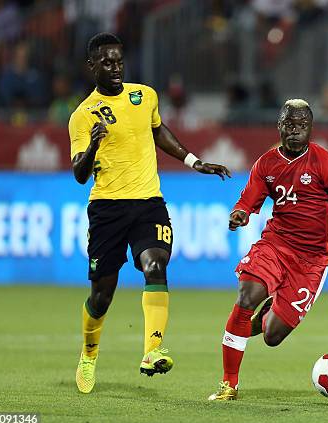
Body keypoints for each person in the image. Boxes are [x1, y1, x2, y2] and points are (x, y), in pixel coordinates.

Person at [68, 33, 231, 394]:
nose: (115, 67)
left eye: (119, 60)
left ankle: (152, 349)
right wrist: (94, 142)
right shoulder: (81, 116)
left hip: (148, 202)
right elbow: (80, 175)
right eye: (106, 62)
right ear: (91, 66)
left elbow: (157, 131)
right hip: (107, 209)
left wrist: (194, 160)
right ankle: (89, 353)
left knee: (156, 264)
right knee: (101, 297)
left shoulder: (145, 96)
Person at [208, 99, 328, 401]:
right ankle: (228, 385)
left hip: (312, 261)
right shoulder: (266, 164)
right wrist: (240, 213)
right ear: (279, 126)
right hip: (276, 245)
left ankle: (265, 311)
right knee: (246, 295)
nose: (295, 131)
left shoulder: (326, 163)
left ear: (310, 128)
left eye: (302, 125)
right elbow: (248, 200)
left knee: (272, 336)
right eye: (289, 124)